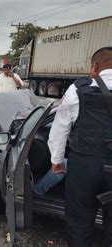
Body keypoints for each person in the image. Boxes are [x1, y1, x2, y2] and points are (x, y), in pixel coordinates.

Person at [48, 46, 112, 246]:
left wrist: (57, 161)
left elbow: (60, 129)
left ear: (94, 67)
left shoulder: (78, 89)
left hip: (85, 166)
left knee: (79, 222)